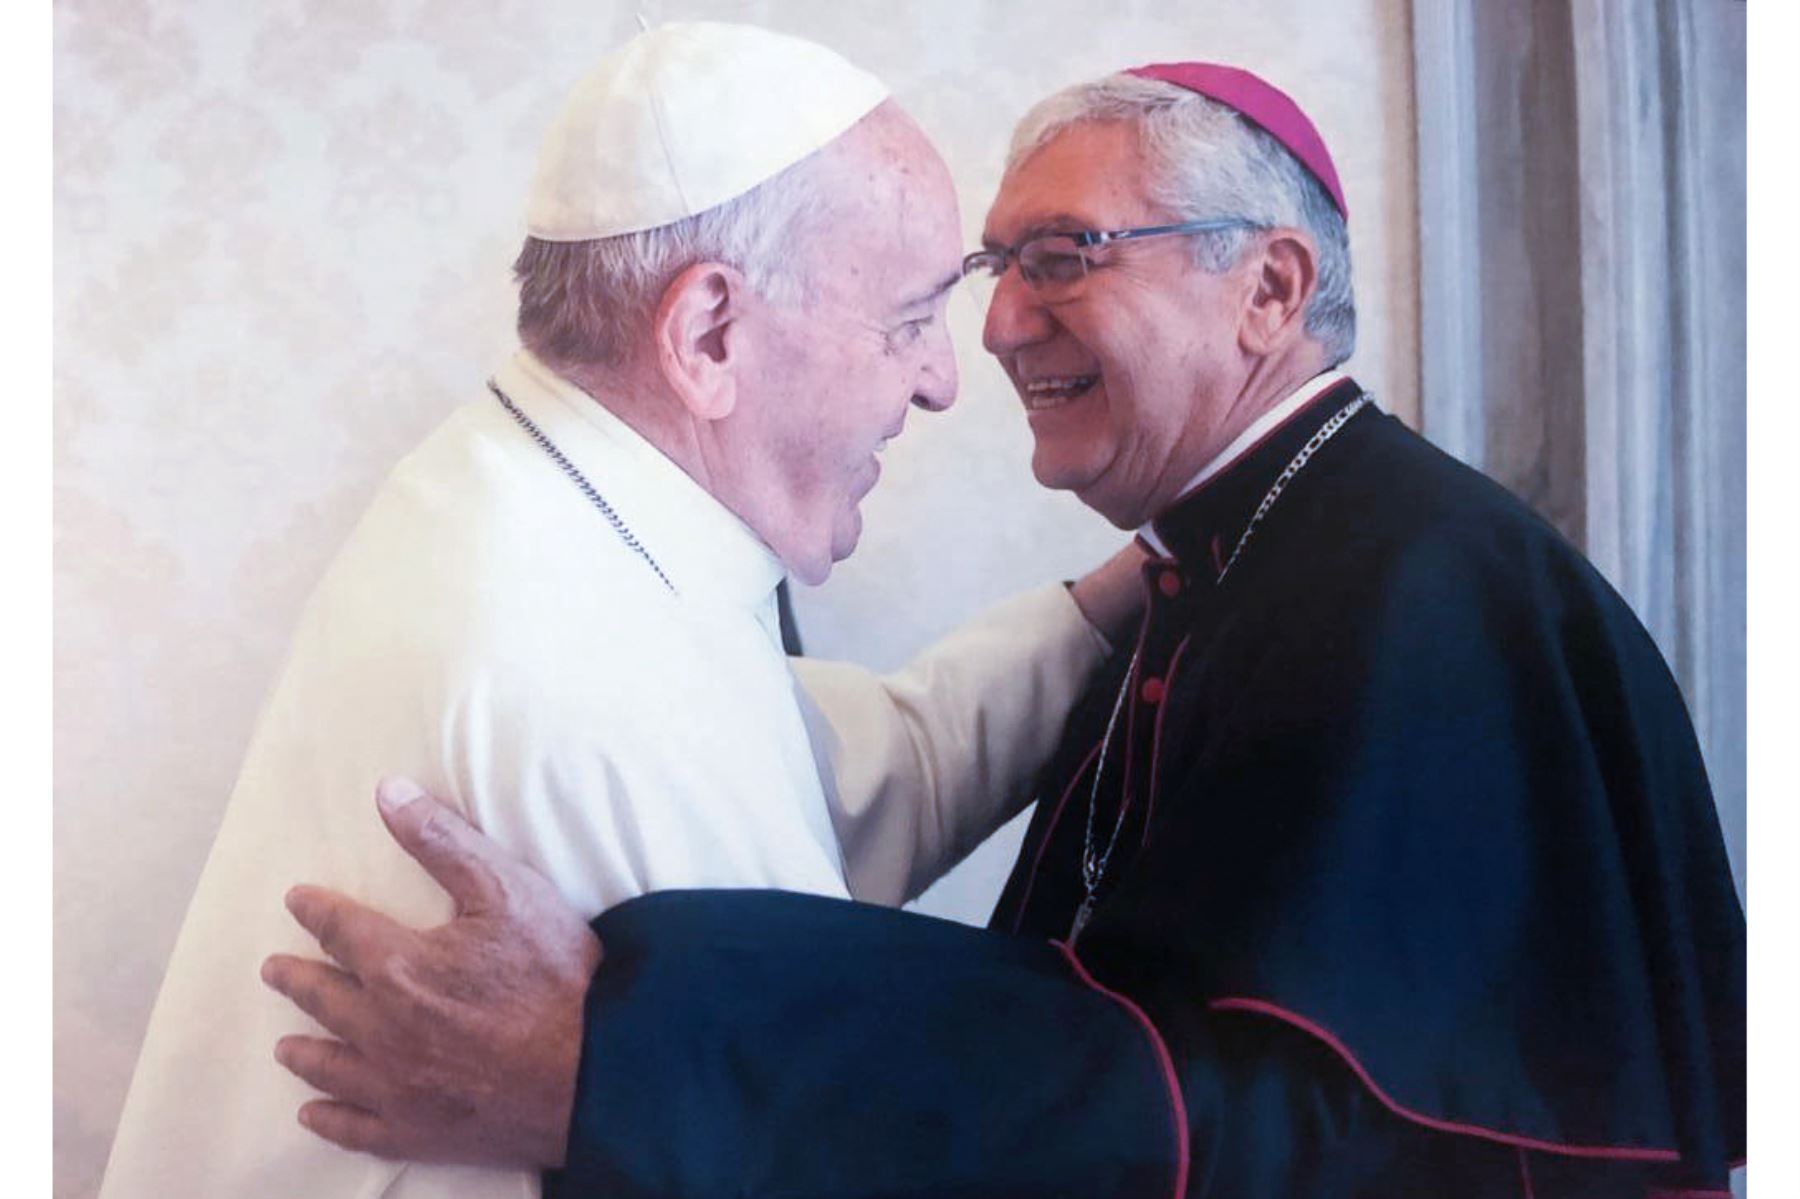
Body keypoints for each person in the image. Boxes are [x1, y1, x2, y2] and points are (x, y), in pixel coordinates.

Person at [263, 62, 1747, 1198]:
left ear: (1269, 291)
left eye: (1063, 257)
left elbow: (1328, 1131)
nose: (988, 334)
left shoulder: (1433, 592)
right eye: (991, 271)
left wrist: (629, 1052)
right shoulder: (1234, 553)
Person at [99, 23, 1148, 1199]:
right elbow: (786, 1120)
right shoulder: (579, 676)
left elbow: (835, 787)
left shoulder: (533, 490)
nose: (941, 379)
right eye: (909, 320)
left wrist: (1108, 607)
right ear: (708, 334)